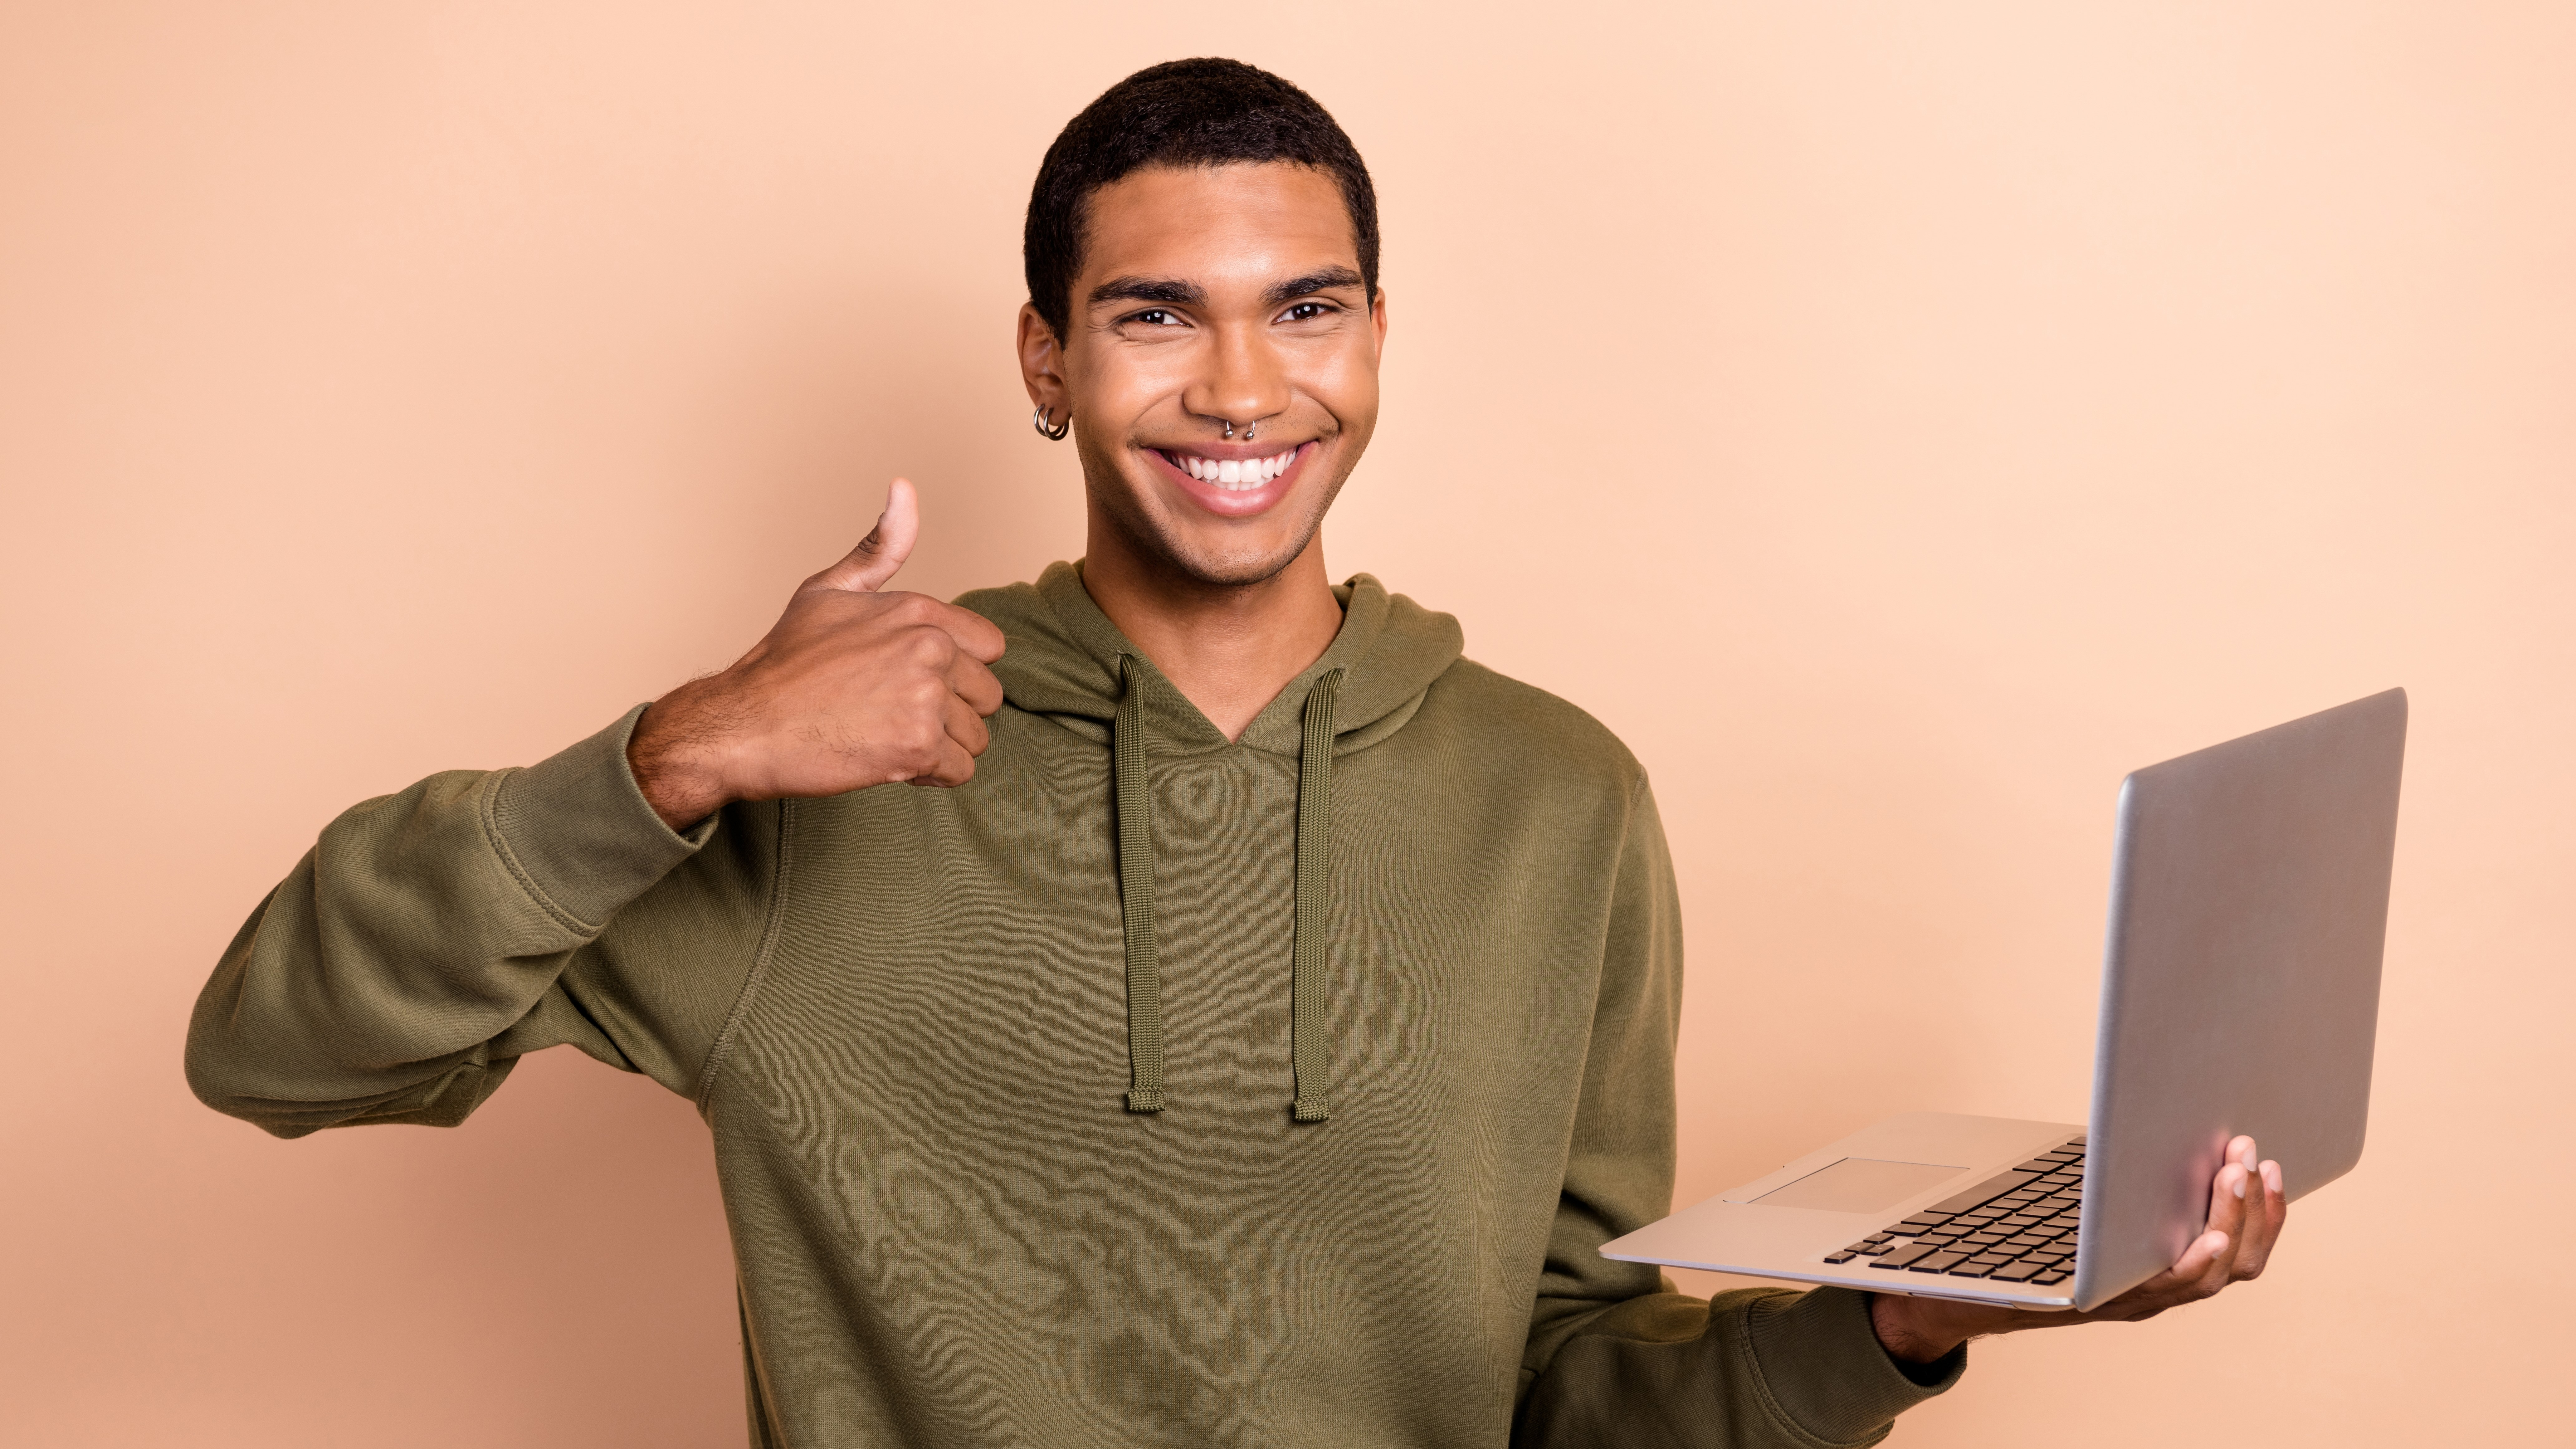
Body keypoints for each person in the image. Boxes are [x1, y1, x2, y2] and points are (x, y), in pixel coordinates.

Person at [187, 57, 2287, 1449]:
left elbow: (1564, 1388)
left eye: (1309, 308)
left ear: (1378, 339)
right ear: (1046, 356)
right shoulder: (815, 774)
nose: (1241, 387)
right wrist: (681, 749)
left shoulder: (1557, 800)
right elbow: (275, 1043)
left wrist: (1908, 1324)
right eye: (1154, 313)